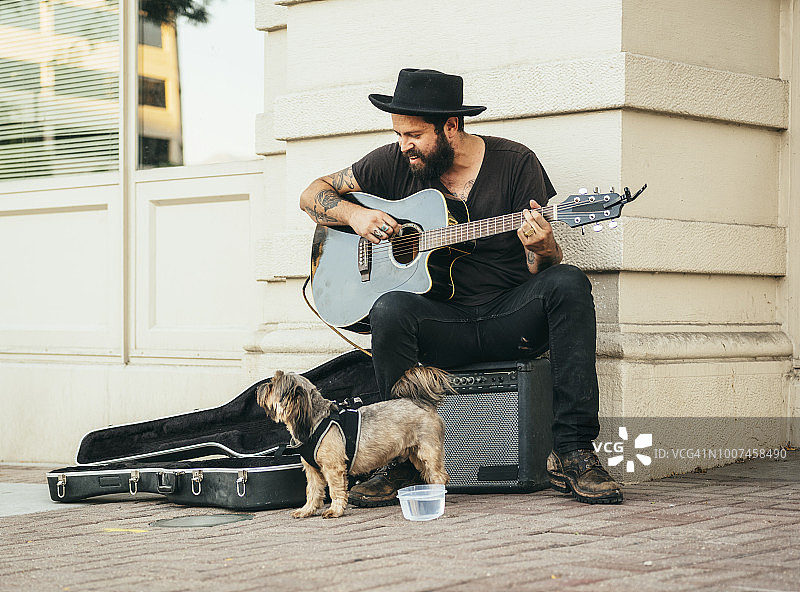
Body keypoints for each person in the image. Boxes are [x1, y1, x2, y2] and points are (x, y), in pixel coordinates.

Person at [299, 68, 622, 506]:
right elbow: (312, 194)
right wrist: (356, 216)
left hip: (507, 316)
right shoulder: (393, 163)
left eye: (414, 135)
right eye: (398, 134)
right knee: (390, 309)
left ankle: (573, 452)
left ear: (451, 126)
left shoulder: (515, 163)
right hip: (442, 324)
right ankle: (401, 460)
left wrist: (544, 248)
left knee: (567, 282)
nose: (404, 145)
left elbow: (540, 269)